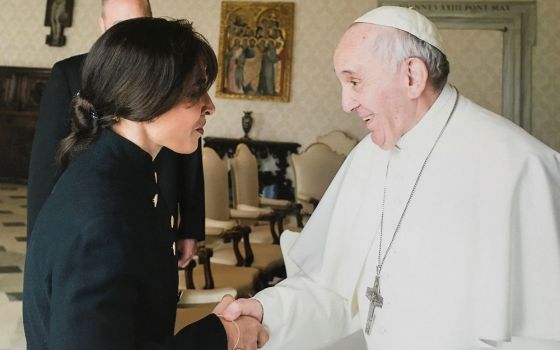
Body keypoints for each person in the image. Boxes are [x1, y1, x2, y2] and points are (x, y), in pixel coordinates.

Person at [222, 6, 560, 350]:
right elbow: (339, 291)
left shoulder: (520, 167)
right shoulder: (369, 155)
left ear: (412, 76)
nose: (346, 103)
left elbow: (540, 335)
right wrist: (269, 311)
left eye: (354, 81)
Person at [23, 17, 268, 349]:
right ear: (148, 96)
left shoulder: (124, 175)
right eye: (196, 91)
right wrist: (221, 336)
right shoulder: (101, 215)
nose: (209, 106)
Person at [28, 0, 203, 268]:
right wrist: (38, 243)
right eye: (121, 26)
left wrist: (190, 228)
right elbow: (45, 165)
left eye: (139, 24)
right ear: (103, 26)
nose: (130, 34)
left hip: (159, 208)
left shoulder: (169, 73)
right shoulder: (70, 73)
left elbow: (189, 152)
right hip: (92, 215)